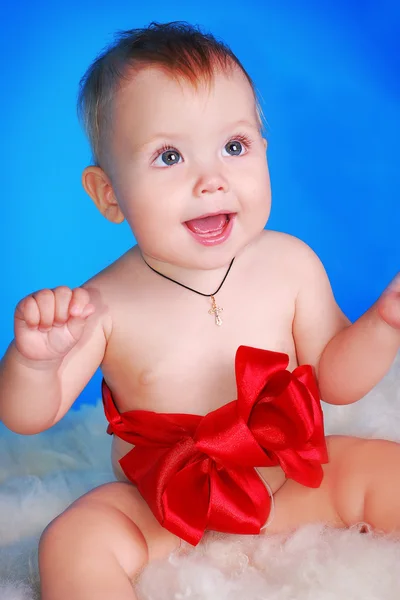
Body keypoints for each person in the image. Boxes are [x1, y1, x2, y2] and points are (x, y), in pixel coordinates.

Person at [0, 20, 399, 600]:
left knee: (385, 468)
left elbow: (337, 378)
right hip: (161, 511)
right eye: (169, 156)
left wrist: (383, 327)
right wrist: (34, 365)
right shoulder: (102, 304)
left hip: (290, 484)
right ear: (109, 194)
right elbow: (28, 418)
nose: (212, 180)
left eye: (233, 147)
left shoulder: (290, 263)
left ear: (264, 151)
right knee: (71, 539)